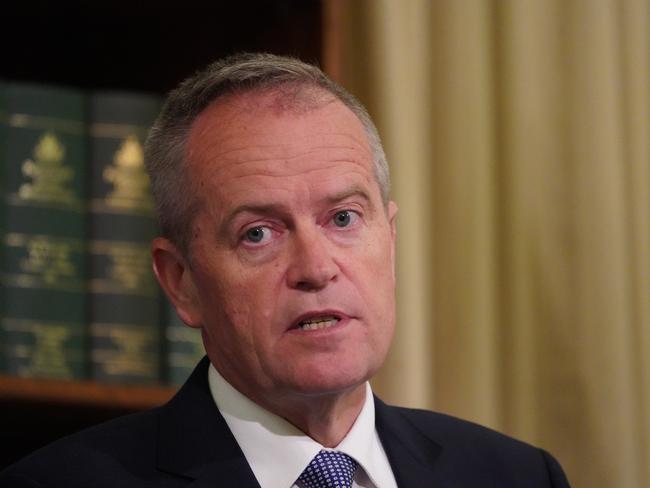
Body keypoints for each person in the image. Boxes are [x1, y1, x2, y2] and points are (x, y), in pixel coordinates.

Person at [0, 53, 571, 487]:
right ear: (181, 281)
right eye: (258, 234)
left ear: (390, 244)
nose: (316, 268)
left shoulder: (517, 475)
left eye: (343, 217)